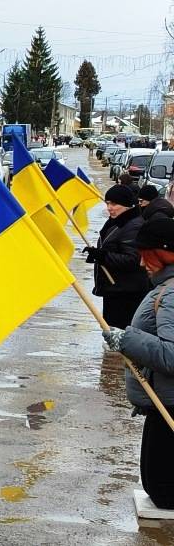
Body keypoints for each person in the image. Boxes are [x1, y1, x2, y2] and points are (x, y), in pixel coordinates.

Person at [102, 218, 174, 509]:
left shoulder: (171, 294)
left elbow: (171, 356)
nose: (141, 262)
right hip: (160, 404)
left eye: (146, 254)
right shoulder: (165, 287)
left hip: (168, 406)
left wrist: (126, 340)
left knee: (164, 491)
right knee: (158, 488)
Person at [86, 185, 151, 329]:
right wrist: (97, 254)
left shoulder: (133, 226)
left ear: (127, 205)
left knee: (120, 334)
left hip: (126, 293)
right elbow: (113, 248)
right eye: (107, 203)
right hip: (116, 289)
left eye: (114, 204)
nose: (109, 207)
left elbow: (133, 260)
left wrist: (103, 256)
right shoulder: (118, 222)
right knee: (113, 331)